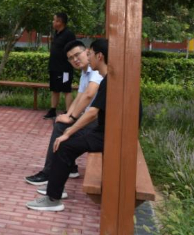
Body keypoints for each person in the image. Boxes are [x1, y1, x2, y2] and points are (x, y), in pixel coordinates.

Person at [26, 39, 121, 212]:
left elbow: (92, 111)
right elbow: (83, 99)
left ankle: (53, 195)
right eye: (71, 58)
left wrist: (70, 129)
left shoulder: (106, 79)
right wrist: (69, 118)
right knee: (65, 142)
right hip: (108, 131)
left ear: (99, 56)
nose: (87, 58)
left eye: (89, 54)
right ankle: (56, 185)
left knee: (64, 143)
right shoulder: (108, 78)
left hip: (109, 134)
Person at [24, 39, 104, 188]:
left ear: (87, 51)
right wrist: (68, 115)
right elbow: (79, 97)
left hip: (98, 121)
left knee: (61, 127)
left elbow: (89, 94)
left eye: (77, 55)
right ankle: (70, 167)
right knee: (61, 122)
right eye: (71, 58)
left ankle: (48, 173)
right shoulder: (85, 72)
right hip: (91, 118)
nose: (75, 59)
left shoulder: (96, 70)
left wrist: (71, 118)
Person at [44, 12, 76, 119]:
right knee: (54, 89)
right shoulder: (56, 33)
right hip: (54, 67)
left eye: (54, 20)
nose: (53, 22)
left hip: (65, 68)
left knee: (66, 90)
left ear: (60, 22)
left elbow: (73, 50)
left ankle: (68, 112)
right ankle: (53, 110)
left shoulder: (69, 34)